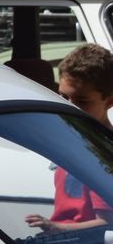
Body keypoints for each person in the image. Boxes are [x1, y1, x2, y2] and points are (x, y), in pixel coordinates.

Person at [27, 44, 113, 233]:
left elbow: (108, 223)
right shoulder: (74, 139)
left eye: (82, 101)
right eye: (63, 97)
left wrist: (57, 228)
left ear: (109, 101)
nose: (69, 108)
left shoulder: (102, 153)